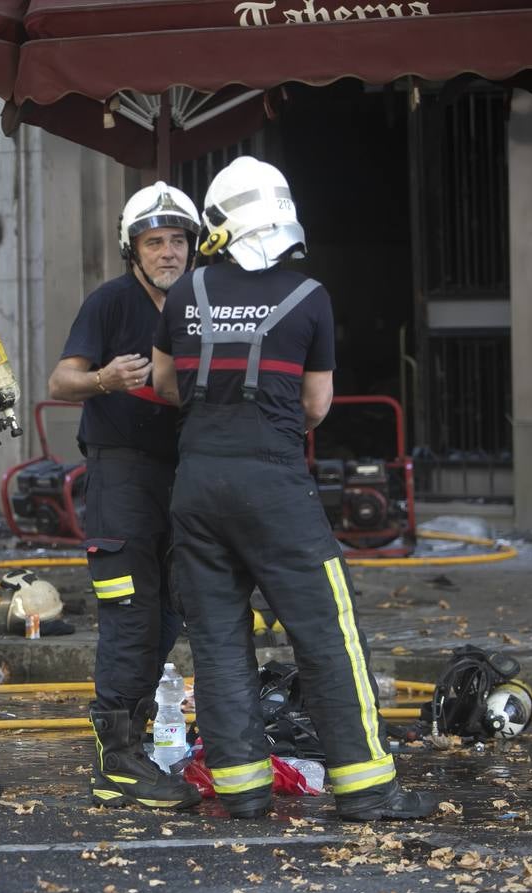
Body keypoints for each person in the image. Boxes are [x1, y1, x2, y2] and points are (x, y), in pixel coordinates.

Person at [151, 156, 435, 821]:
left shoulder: (182, 294)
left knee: (219, 642)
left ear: (219, 223)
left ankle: (243, 788)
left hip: (196, 485)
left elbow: (166, 386)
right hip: (274, 484)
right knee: (329, 635)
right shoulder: (309, 298)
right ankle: (368, 788)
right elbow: (317, 403)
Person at [47, 181, 202, 810]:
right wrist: (104, 379)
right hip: (121, 478)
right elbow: (61, 380)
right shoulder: (110, 302)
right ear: (132, 249)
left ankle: (131, 745)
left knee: (170, 612)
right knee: (131, 614)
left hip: (182, 476)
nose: (168, 252)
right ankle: (117, 762)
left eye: (177, 240)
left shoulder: (201, 301)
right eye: (154, 241)